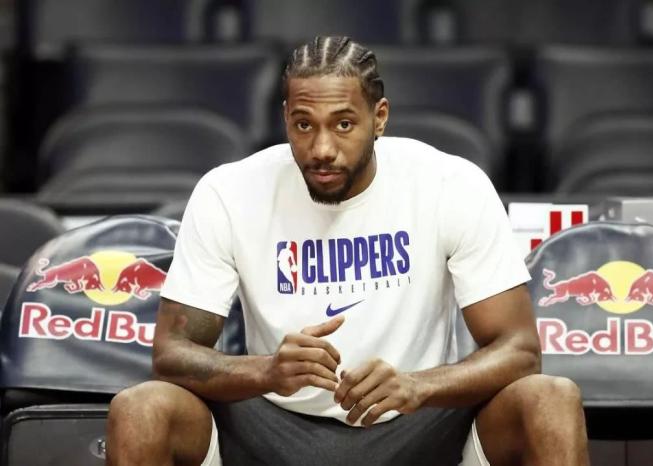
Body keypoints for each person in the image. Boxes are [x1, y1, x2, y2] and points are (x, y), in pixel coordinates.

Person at [106, 36, 589, 466]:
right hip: (270, 427)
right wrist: (266, 371)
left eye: (343, 124)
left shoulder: (449, 184)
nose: (321, 148)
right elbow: (171, 354)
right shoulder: (228, 192)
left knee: (550, 399)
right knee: (140, 410)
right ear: (285, 118)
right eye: (303, 125)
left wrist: (418, 386)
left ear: (380, 118)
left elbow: (520, 350)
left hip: (419, 423)